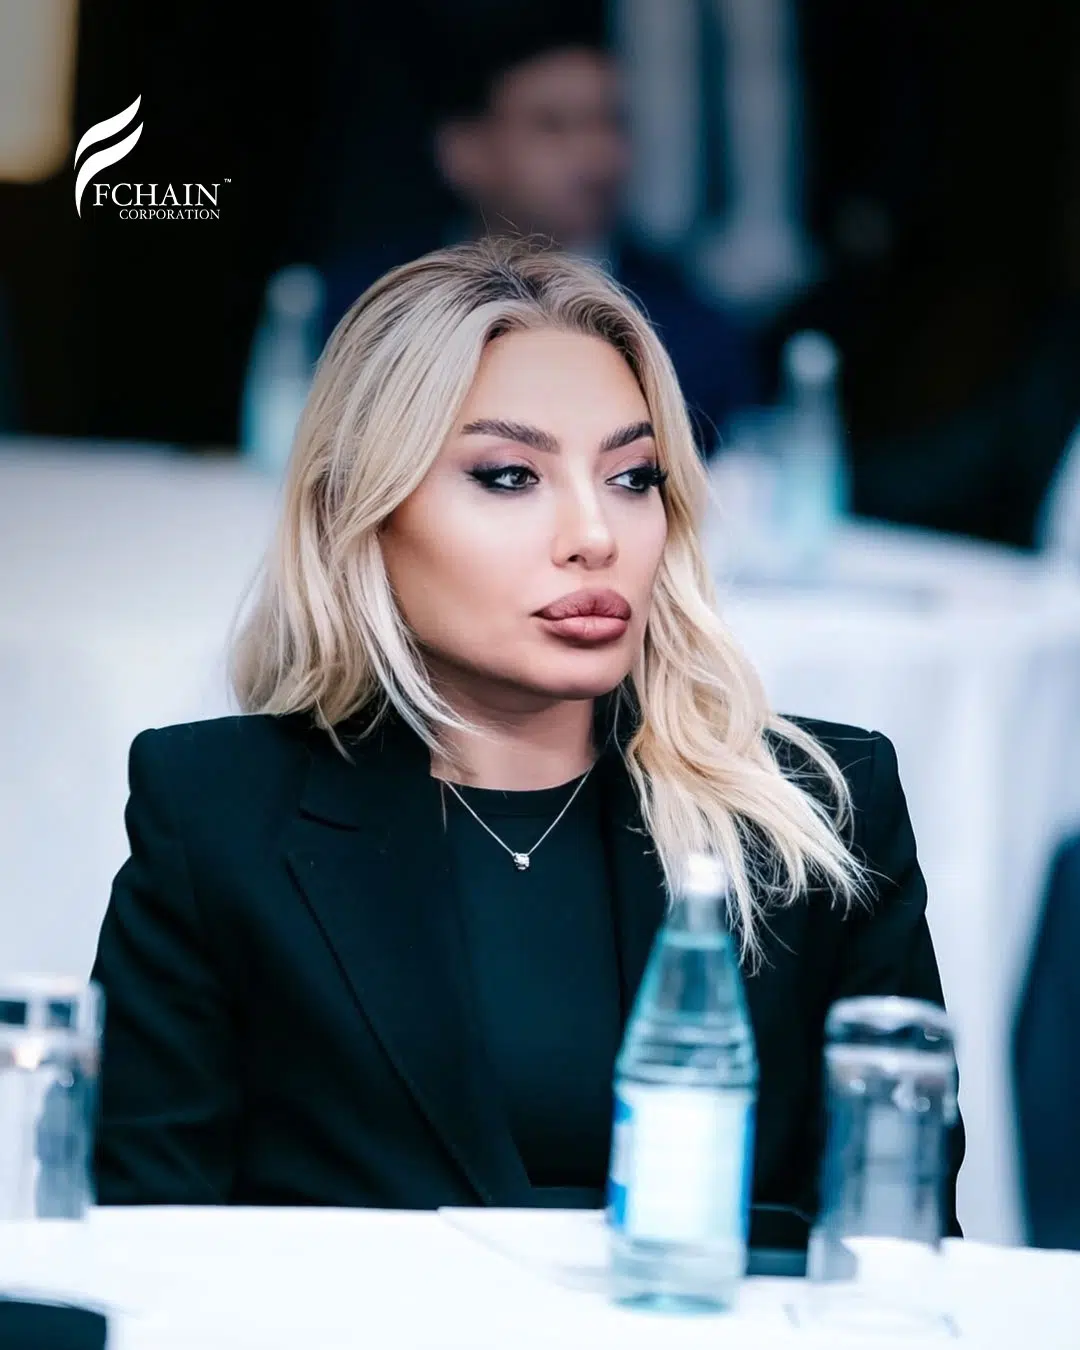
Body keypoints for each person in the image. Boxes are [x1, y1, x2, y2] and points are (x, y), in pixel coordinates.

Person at [91, 238, 963, 1227]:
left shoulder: (818, 811)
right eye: (510, 476)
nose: (594, 535)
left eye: (633, 477)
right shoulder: (214, 814)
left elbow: (895, 1242)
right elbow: (141, 1246)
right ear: (358, 511)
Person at [320, 32, 760, 452]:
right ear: (464, 150)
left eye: (611, 123)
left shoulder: (689, 329)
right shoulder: (371, 308)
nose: (596, 156)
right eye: (552, 125)